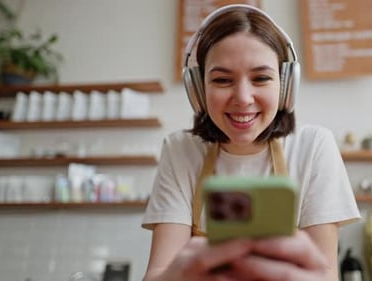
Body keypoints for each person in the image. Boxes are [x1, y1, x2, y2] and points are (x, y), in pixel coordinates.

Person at [141, 4, 360, 281]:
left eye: (261, 78)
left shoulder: (314, 146)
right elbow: (158, 273)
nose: (243, 97)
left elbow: (325, 274)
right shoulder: (180, 150)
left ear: (286, 86)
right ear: (198, 90)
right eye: (222, 79)